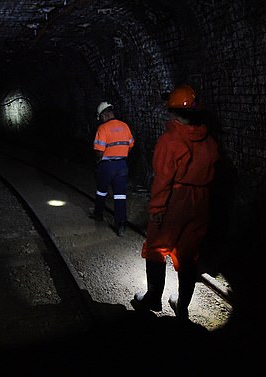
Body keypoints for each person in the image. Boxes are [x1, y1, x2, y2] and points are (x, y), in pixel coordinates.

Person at [131, 85, 219, 319]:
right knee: (188, 253)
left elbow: (163, 178)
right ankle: (182, 305)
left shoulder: (171, 140)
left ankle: (153, 299)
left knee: (156, 248)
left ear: (172, 111)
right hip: (201, 200)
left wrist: (157, 208)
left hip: (175, 199)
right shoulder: (208, 140)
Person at [89, 101, 135, 236]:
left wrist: (99, 159)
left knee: (101, 191)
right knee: (120, 195)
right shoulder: (125, 126)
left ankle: (98, 214)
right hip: (122, 165)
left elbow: (99, 150)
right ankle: (121, 225)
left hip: (107, 165)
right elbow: (131, 145)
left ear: (103, 115)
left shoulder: (102, 129)